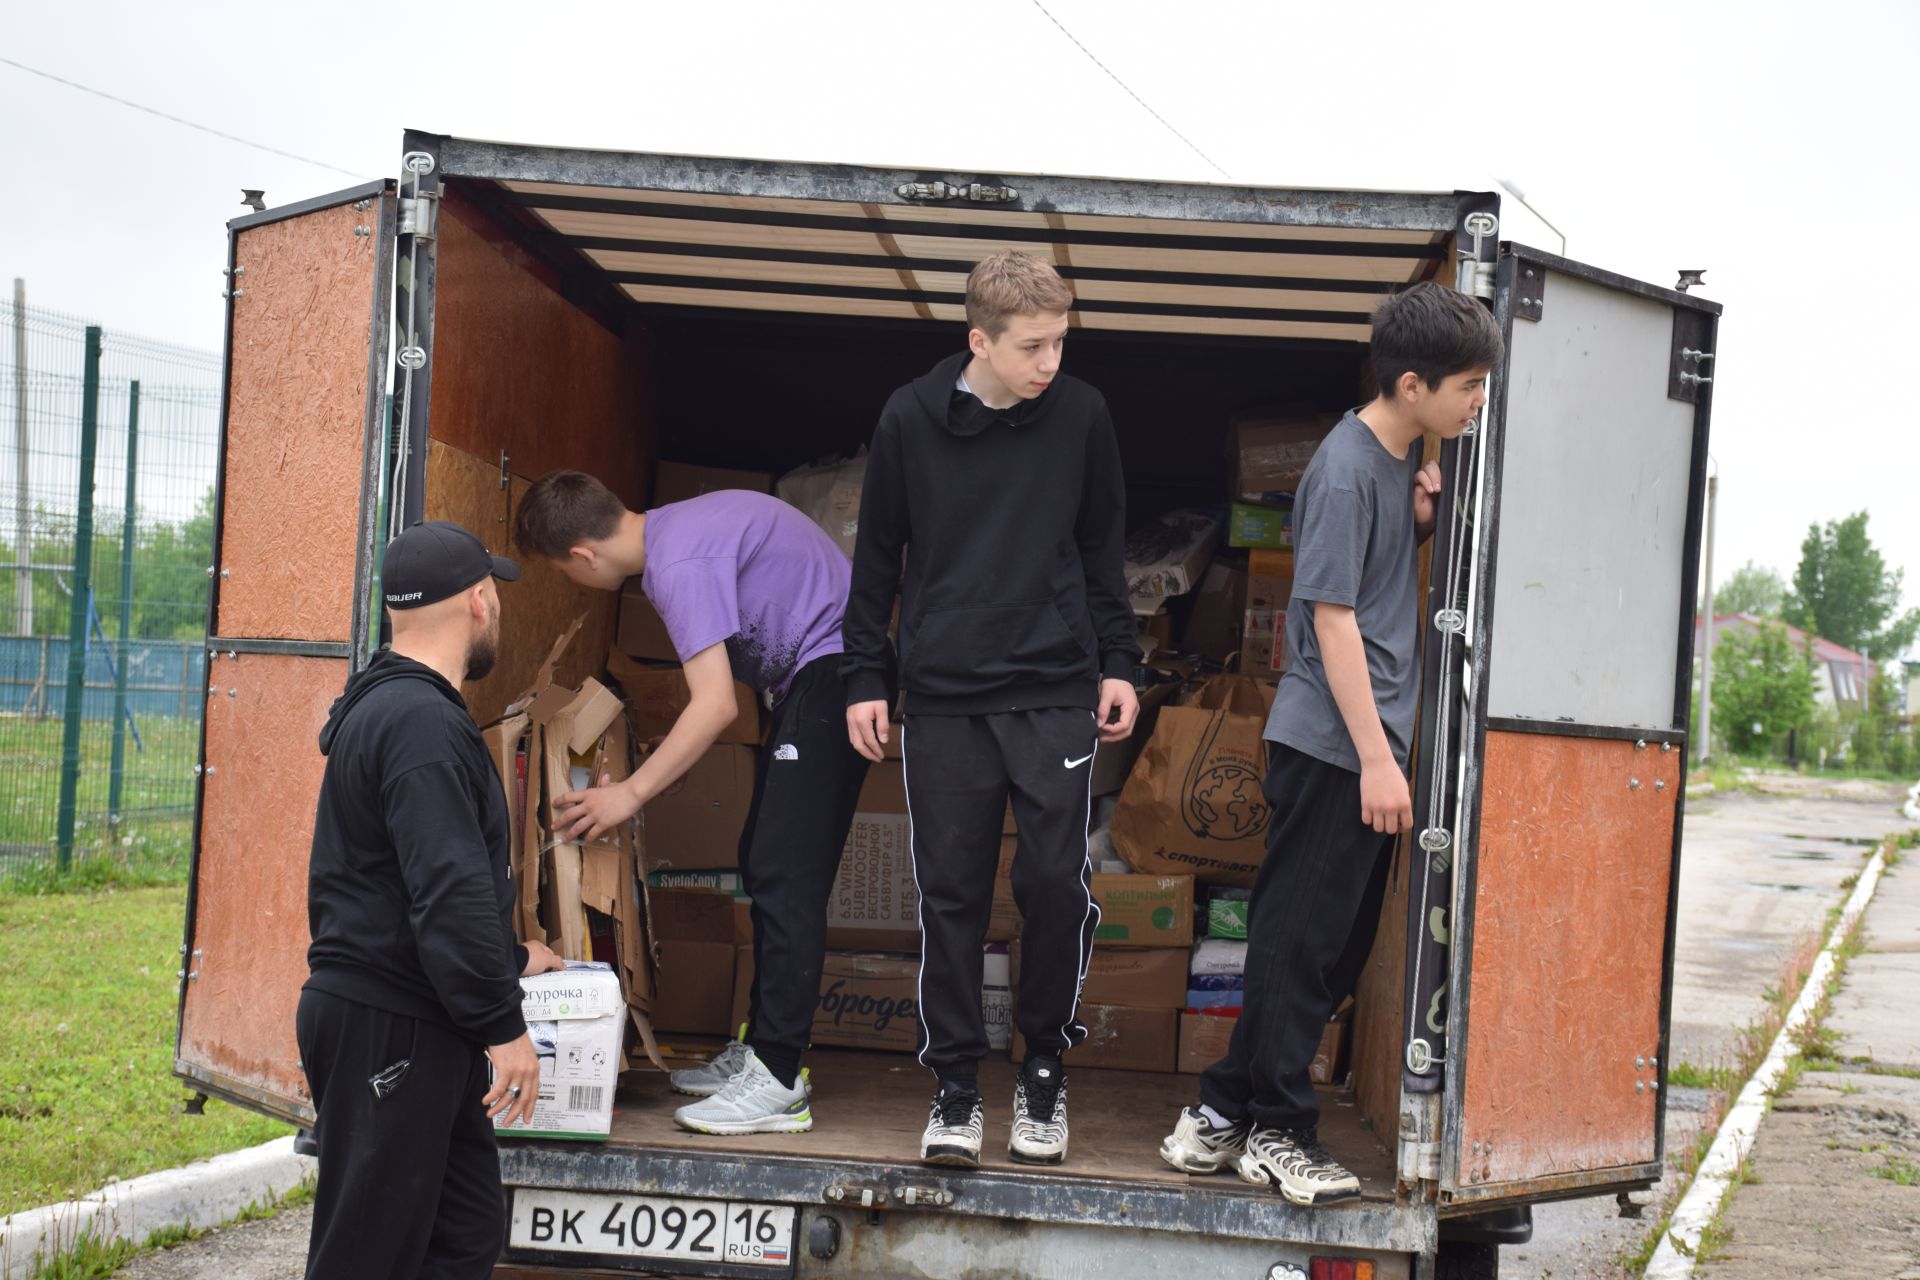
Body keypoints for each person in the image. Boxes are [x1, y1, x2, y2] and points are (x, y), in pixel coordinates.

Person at [1159, 282, 1503, 1206]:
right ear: (1411, 382)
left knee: (1328, 952)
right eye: (1469, 385)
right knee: (1299, 945)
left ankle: (1218, 1112)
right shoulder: (1348, 468)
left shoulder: (1395, 461)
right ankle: (1277, 1129)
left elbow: (1369, 580)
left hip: (1362, 742)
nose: (1479, 401)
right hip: (1336, 747)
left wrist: (1420, 524)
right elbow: (1331, 619)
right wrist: (1380, 758)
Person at [841, 250, 1141, 1169]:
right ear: (980, 340)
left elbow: (1102, 547)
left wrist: (1120, 662)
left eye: (1060, 341)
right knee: (952, 896)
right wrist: (865, 674)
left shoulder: (1082, 414)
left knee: (1055, 885)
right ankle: (958, 1088)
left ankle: (1044, 1069)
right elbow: (878, 555)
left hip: (1054, 687)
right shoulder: (909, 418)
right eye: (1033, 346)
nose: (1051, 362)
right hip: (943, 696)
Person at [514, 473, 870, 1135]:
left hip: (837, 673)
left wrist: (630, 792)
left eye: (567, 575)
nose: (578, 584)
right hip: (816, 680)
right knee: (765, 861)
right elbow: (707, 697)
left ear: (584, 559)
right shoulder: (676, 534)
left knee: (784, 874)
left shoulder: (677, 564)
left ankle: (780, 1077)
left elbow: (716, 704)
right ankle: (763, 1051)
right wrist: (662, 765)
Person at [297, 520, 565, 1279]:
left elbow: (409, 883)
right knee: (369, 1257)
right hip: (393, 1026)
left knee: (461, 1235)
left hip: (412, 1018)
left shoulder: (393, 708)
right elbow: (446, 891)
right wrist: (503, 1027)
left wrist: (511, 958)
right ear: (479, 601)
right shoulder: (419, 723)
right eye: (497, 595)